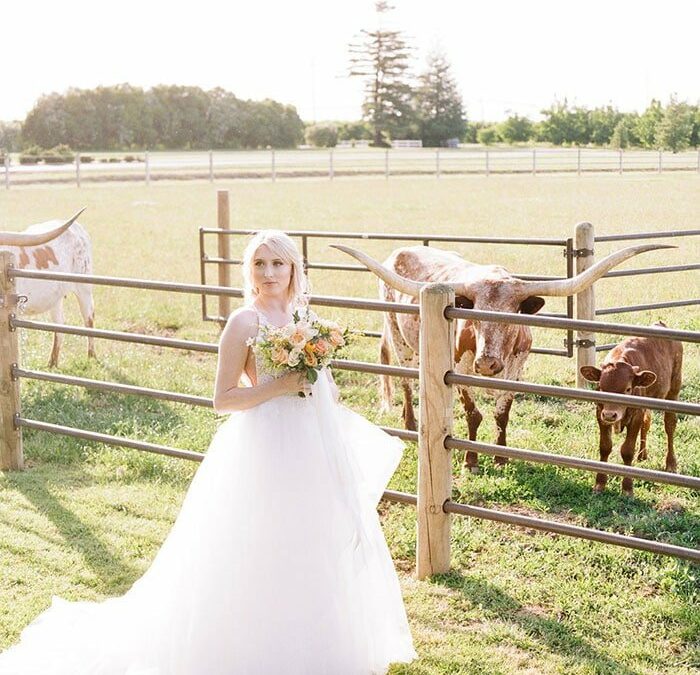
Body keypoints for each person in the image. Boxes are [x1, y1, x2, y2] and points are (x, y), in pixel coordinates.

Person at [0, 230, 417, 674]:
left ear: (294, 268)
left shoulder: (304, 316)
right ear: (248, 270)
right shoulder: (244, 321)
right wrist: (279, 386)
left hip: (310, 441)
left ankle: (316, 646)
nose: (269, 273)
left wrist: (328, 420)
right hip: (264, 443)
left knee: (315, 540)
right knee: (260, 543)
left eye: (278, 263)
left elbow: (321, 384)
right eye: (260, 264)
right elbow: (222, 399)